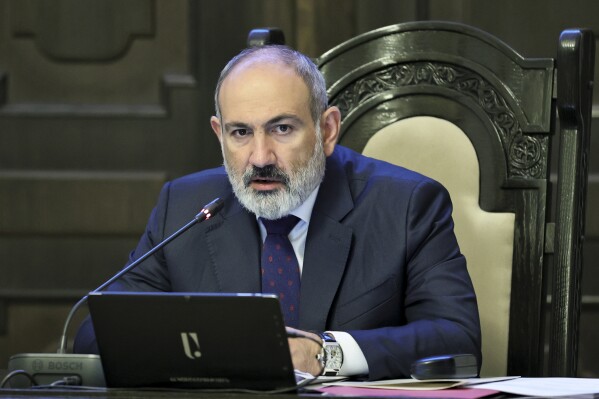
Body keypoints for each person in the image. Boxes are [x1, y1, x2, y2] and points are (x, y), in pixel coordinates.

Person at [75, 45, 481, 380]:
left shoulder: (407, 205)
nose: (260, 157)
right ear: (220, 134)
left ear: (327, 130)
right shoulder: (184, 206)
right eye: (241, 132)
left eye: (282, 128)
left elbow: (456, 338)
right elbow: (97, 333)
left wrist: (325, 355)